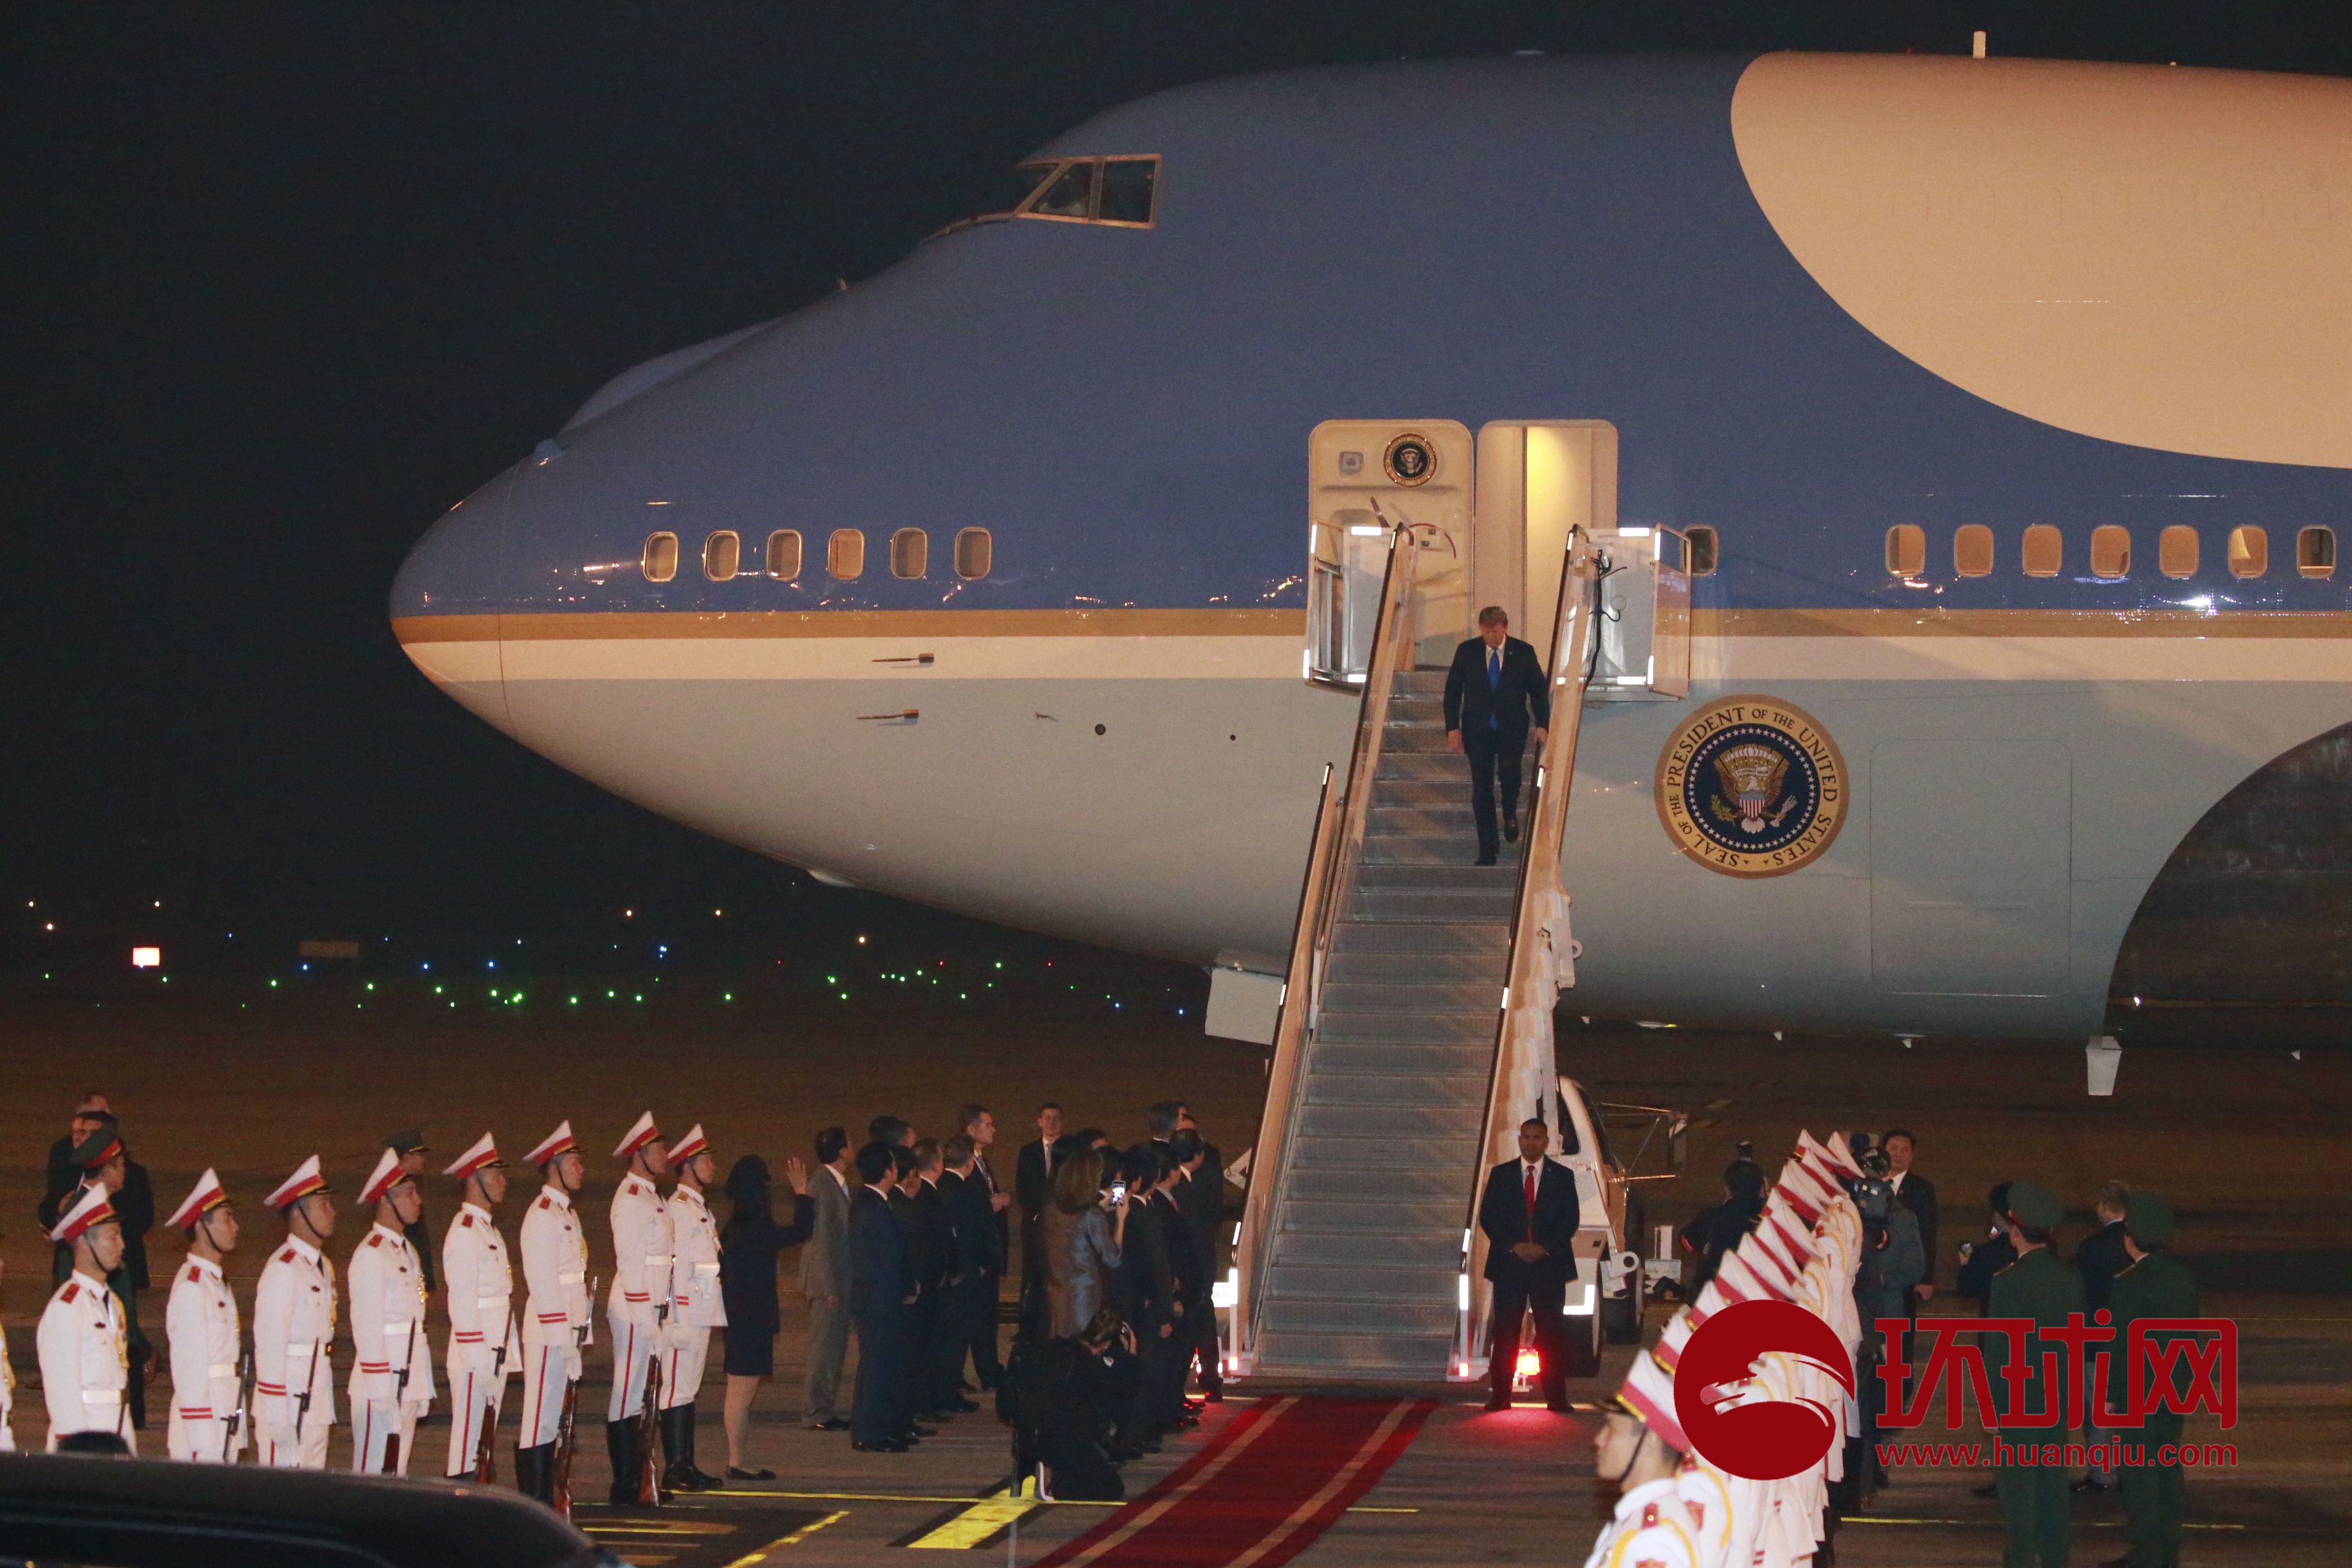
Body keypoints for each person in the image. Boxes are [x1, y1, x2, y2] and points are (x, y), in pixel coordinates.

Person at [1986, 1179, 2087, 1568]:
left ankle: (2023, 1556)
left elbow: (1998, 1352)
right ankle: (2056, 1554)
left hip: (2017, 1399)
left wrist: (1994, 1407)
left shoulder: (2008, 1282)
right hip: (2056, 1396)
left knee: (2017, 1486)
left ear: (2015, 1230)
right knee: (2051, 1481)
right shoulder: (2069, 1278)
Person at [2102, 1192, 2198, 1568]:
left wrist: (2113, 1395)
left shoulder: (2130, 1282)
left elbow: (2122, 1345)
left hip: (2139, 1393)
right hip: (2174, 1386)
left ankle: (2146, 1552)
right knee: (2168, 1467)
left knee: (2140, 1475)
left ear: (2130, 1238)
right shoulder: (2183, 1278)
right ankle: (2168, 1547)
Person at [50, 1117, 157, 1429]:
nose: (125, 1172)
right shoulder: (81, 1214)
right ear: (107, 1168)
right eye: (120, 1165)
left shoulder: (103, 1209)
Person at [717, 1151, 813, 1480]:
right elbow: (800, 1231)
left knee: (739, 1391)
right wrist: (801, 1194)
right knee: (741, 1394)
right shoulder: (753, 1228)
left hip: (741, 1320)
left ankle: (738, 1459)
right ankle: (737, 1460)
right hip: (749, 1323)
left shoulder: (736, 1226)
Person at [1478, 1117, 1582, 1411]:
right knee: (1506, 1331)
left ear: (1546, 1142)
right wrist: (1514, 1246)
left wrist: (1544, 1248)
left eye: (1538, 1137)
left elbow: (1569, 1220)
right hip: (1509, 1264)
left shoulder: (1562, 1176)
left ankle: (1557, 1399)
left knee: (1551, 1333)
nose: (1532, 1142)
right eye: (1527, 1137)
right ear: (1519, 1139)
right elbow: (1489, 1217)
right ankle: (1500, 1396)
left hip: (1548, 1265)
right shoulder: (1501, 1175)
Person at [347, 1147, 436, 1475]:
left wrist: (420, 1383)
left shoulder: (406, 1251)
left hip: (406, 1382)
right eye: (409, 1194)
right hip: (381, 1387)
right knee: (373, 1478)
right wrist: (381, 1393)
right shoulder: (371, 1255)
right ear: (386, 1201)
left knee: (396, 1477)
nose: (418, 1201)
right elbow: (367, 1331)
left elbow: (416, 1327)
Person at [514, 1122, 589, 1505]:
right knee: (538, 1420)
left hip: (564, 1332)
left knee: (553, 1423)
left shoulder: (565, 1213)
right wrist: (563, 1341)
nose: (581, 1169)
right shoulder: (542, 1215)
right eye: (574, 1162)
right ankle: (534, 1501)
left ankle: (545, 1496)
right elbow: (543, 1285)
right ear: (554, 1166)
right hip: (548, 1333)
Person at [1443, 606, 1550, 866]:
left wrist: (1542, 723)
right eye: (1485, 632)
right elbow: (1453, 691)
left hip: (1511, 727)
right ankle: (1487, 849)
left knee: (1510, 774)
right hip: (1477, 729)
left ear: (1505, 627)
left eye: (1493, 632)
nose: (1489, 637)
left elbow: (1537, 691)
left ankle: (1510, 811)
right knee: (1482, 787)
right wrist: (1452, 728)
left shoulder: (1523, 653)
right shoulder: (1467, 652)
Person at [440, 1132, 517, 1482]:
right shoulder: (466, 1232)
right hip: (477, 1354)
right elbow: (462, 1303)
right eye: (494, 1175)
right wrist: (477, 1361)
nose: (503, 1181)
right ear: (473, 1180)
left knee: (482, 1443)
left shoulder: (486, 1229)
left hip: (492, 1350)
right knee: (467, 1446)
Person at [253, 1156, 338, 1468]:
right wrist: (277, 1418)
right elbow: (269, 1348)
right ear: (299, 1214)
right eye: (323, 1205)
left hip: (314, 1401)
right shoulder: (283, 1270)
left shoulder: (321, 1266)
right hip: (287, 1406)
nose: (332, 1213)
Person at [606, 1110, 672, 1502]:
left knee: (642, 1393)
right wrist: (644, 1316)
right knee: (627, 1391)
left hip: (650, 1309)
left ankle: (638, 1476)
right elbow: (630, 1264)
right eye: (658, 1148)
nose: (665, 1154)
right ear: (639, 1154)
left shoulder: (651, 1195)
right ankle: (625, 1481)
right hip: (634, 1309)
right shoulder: (630, 1199)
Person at [39, 1185, 133, 1452]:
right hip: (85, 1445)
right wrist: (77, 1462)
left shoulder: (111, 1303)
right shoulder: (66, 1308)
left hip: (115, 1435)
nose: (122, 1244)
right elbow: (62, 1396)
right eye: (113, 1236)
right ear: (83, 1241)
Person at [659, 1124, 725, 1492]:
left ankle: (685, 1463)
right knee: (676, 1390)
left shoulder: (698, 1208)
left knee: (688, 1389)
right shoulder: (680, 1210)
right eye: (705, 1160)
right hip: (685, 1315)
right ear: (688, 1166)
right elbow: (675, 1266)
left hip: (701, 1312)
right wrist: (678, 1317)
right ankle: (675, 1467)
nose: (712, 1166)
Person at [163, 1169, 243, 1462]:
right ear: (201, 1226)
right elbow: (188, 1369)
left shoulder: (215, 1281)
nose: (235, 1227)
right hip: (203, 1426)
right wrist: (200, 1438)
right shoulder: (192, 1288)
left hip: (222, 1413)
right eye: (227, 1218)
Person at [848, 1141, 915, 1452]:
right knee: (876, 1367)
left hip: (881, 1297)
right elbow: (887, 1257)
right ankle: (868, 1432)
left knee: (886, 1366)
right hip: (878, 1300)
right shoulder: (871, 1206)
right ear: (888, 1171)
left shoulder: (873, 1202)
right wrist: (905, 1287)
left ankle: (883, 1426)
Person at [2071, 1180, 2133, 1496]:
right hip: (2134, 1342)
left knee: (2098, 1413)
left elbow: (2077, 1294)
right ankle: (2133, 1472)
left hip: (2096, 1342)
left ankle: (2102, 1474)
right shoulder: (2139, 1243)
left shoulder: (2092, 1247)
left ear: (2105, 1208)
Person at [1582, 1407, 1699, 1568]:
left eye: (1612, 1427)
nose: (1599, 1439)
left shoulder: (1652, 1541)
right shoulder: (1641, 1517)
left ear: (1651, 1439)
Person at [932, 1135, 995, 1414]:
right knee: (956, 1340)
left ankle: (947, 1389)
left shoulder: (942, 1186)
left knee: (951, 1339)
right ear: (970, 1163)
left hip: (951, 1274)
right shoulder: (965, 1191)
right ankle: (948, 1392)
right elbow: (972, 1235)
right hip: (965, 1275)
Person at [800, 1126, 855, 1432]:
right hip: (829, 1283)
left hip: (838, 1279)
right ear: (842, 1151)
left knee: (834, 1349)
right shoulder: (823, 1184)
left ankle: (824, 1407)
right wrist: (827, 1287)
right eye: (850, 1144)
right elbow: (819, 1240)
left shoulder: (835, 1183)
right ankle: (815, 1410)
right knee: (824, 1349)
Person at [1171, 1106, 1226, 1400]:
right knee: (1179, 1326)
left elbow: (1213, 1213)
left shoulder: (1208, 1169)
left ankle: (1210, 1379)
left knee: (1204, 1320)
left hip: (1200, 1263)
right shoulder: (1165, 1175)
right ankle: (1175, 1389)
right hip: (1178, 1267)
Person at [1043, 1149, 1126, 1338]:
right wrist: (1121, 1220)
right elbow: (1113, 1258)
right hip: (1085, 1300)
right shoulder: (1091, 1215)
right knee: (1085, 1350)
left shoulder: (1051, 1207)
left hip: (1057, 1296)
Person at [958, 1104, 1012, 1390]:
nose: (993, 1128)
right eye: (988, 1124)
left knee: (985, 1317)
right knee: (975, 1318)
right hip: (977, 1256)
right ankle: (984, 1372)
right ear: (971, 1129)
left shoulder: (979, 1159)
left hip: (988, 1255)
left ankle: (990, 1370)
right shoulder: (963, 1162)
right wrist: (989, 1205)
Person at [1015, 1103, 1066, 1337]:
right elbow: (1022, 1187)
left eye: (1056, 1118)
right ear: (1039, 1122)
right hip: (1035, 1223)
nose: (1052, 1122)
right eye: (1047, 1118)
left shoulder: (1069, 1150)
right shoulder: (1028, 1151)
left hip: (1063, 1223)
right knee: (1032, 1275)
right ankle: (1028, 1326)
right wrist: (1037, 1213)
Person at [1677, 1160, 1765, 1291]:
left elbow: (1687, 1243)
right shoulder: (1770, 1220)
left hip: (1716, 1292)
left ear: (1728, 1189)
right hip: (1759, 1292)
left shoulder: (1712, 1217)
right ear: (1762, 1187)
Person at [1882, 1129, 1938, 1306]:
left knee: (1902, 1325)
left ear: (1912, 1155)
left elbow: (1928, 1232)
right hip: (1873, 1271)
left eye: (1904, 1150)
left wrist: (1926, 1279)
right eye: (1893, 1148)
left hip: (1906, 1271)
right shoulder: (1870, 1183)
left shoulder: (1922, 1188)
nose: (1898, 1154)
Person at [387, 1131, 438, 1295]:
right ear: (407, 1157)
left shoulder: (410, 1186)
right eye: (420, 1154)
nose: (424, 1159)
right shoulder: (396, 1193)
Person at [1957, 1181, 2020, 1313]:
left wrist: (1965, 1263)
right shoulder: (2043, 1248)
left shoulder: (1986, 1253)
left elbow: (1967, 1288)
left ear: (1997, 1215)